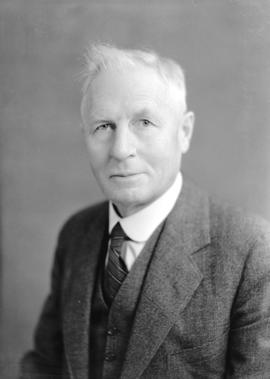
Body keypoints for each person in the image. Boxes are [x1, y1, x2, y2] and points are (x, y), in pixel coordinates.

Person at [20, 44, 270, 379]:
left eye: (145, 122)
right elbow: (43, 365)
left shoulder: (251, 249)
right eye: (104, 126)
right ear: (85, 136)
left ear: (184, 132)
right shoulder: (76, 233)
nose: (121, 150)